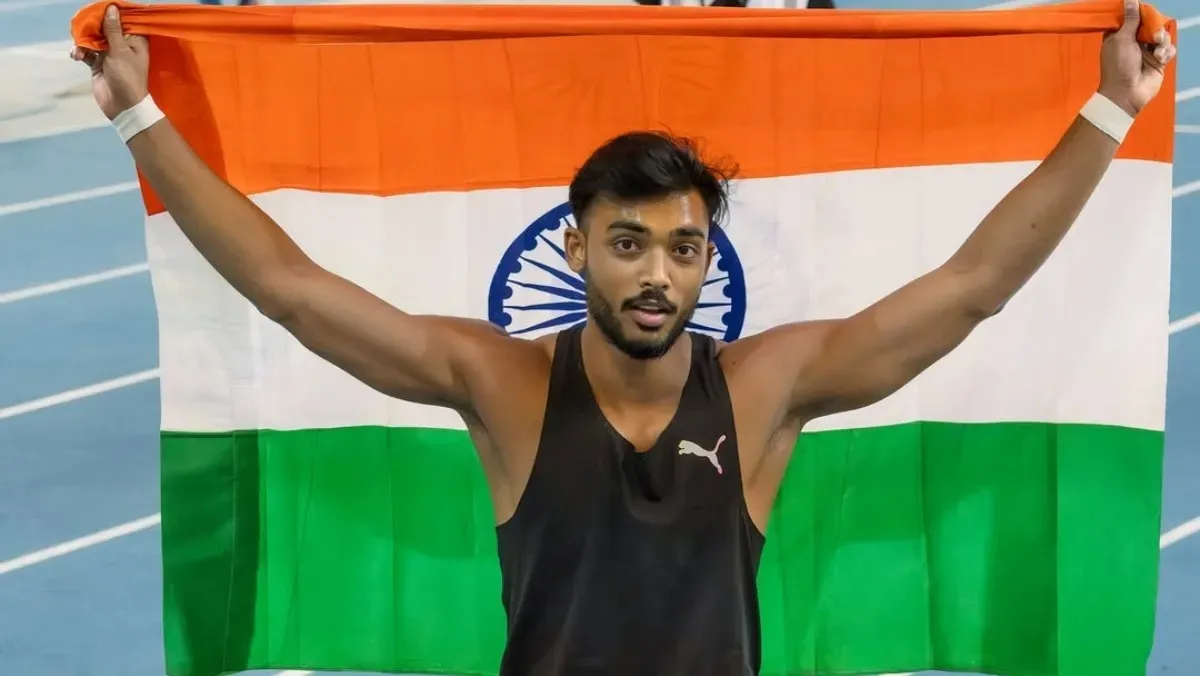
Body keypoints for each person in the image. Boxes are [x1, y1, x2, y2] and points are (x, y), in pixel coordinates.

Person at [72, 2, 1173, 674]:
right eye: (629, 244)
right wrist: (138, 115)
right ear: (577, 248)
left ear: (707, 262)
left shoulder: (762, 390)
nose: (656, 275)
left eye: (683, 249)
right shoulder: (504, 385)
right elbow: (290, 291)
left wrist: (1112, 110)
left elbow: (972, 288)